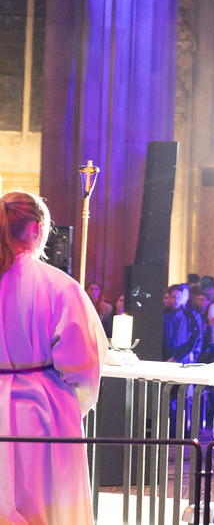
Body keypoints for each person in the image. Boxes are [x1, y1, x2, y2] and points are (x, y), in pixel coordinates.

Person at [0, 191, 108, 525]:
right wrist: (76, 403)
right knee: (47, 508)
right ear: (37, 229)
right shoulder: (58, 284)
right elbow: (83, 362)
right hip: (42, 412)